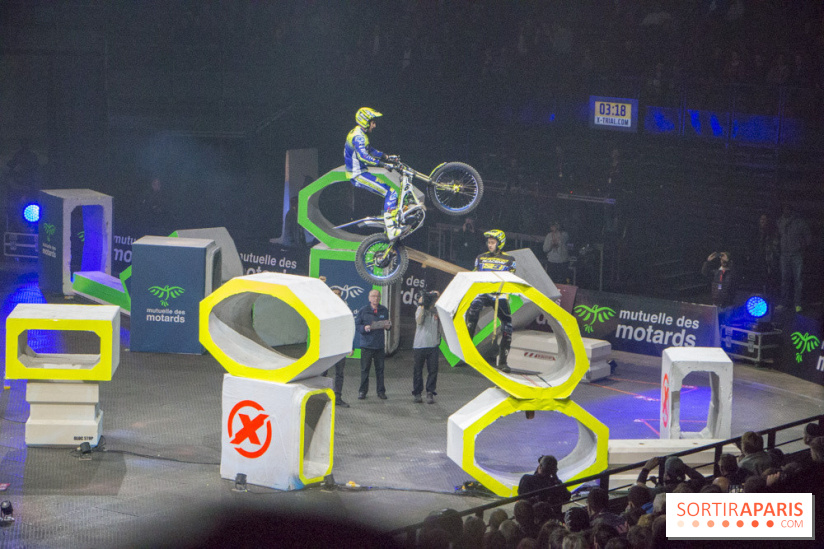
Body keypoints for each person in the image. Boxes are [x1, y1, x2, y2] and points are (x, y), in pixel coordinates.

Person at [343, 107, 400, 239]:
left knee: (390, 191)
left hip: (361, 172)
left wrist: (387, 156)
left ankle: (390, 221)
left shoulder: (361, 134)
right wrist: (383, 165)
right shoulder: (358, 137)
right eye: (373, 122)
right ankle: (391, 229)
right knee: (391, 192)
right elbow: (363, 156)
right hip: (358, 175)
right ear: (365, 122)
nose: (374, 125)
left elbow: (371, 150)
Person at [465, 230, 517, 372]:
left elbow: (511, 277)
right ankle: (467, 349)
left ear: (500, 243)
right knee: (473, 308)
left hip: (499, 294)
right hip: (483, 292)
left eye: (493, 242)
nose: (490, 245)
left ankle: (502, 362)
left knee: (507, 325)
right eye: (489, 242)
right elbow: (474, 274)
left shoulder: (510, 259)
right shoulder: (480, 258)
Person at [355, 289, 391, 400]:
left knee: (380, 370)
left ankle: (381, 392)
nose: (376, 298)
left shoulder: (384, 310)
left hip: (379, 345)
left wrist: (388, 326)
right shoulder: (363, 310)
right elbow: (357, 325)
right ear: (369, 298)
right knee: (365, 370)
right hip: (367, 345)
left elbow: (388, 324)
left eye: (378, 296)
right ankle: (362, 391)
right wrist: (364, 328)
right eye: (373, 296)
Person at [777, 204, 811, 313]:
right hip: (784, 254)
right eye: (784, 208)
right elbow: (778, 236)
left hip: (797, 254)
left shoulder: (800, 222)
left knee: (798, 280)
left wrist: (802, 248)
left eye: (788, 208)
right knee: (784, 280)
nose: (786, 210)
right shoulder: (780, 221)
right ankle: (784, 303)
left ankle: (797, 303)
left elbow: (808, 237)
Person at [412, 290, 440, 404]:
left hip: (433, 345)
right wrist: (422, 305)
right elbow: (419, 321)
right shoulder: (420, 309)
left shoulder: (437, 311)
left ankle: (430, 392)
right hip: (420, 345)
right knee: (418, 371)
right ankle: (417, 393)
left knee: (433, 371)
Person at [325, 287, 349, 408]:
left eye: (339, 294)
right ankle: (322, 396)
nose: (337, 295)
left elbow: (348, 327)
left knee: (339, 373)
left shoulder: (344, 310)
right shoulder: (324, 309)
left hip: (340, 347)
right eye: (334, 293)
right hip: (327, 346)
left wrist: (350, 345)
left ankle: (338, 397)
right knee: (323, 372)